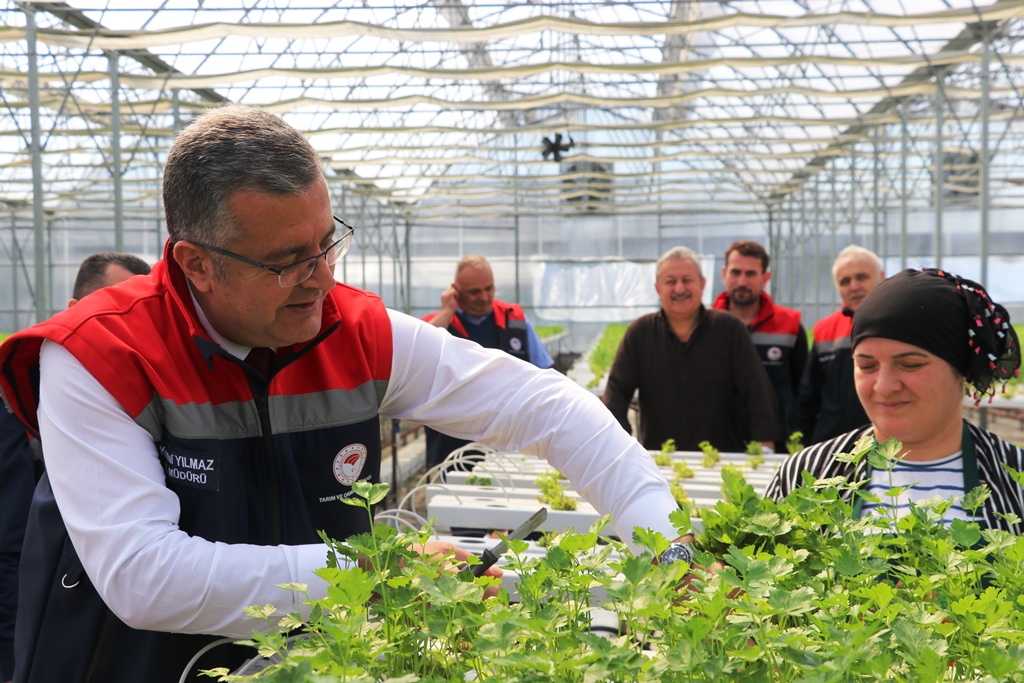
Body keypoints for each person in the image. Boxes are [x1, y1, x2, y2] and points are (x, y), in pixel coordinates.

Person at [0, 106, 684, 683]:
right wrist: (374, 570)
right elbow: (145, 577)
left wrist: (663, 536)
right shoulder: (97, 354)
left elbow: (542, 404)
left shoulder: (352, 331)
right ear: (196, 264)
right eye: (287, 262)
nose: (322, 278)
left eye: (327, 244)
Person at [766, 268, 1023, 531]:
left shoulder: (1015, 478)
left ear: (962, 370)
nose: (884, 386)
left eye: (910, 364)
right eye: (867, 366)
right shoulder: (805, 477)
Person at [0, 251, 150, 683]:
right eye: (111, 306)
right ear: (73, 310)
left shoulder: (153, 399)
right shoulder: (26, 392)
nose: (124, 325)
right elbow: (10, 542)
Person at [602, 246, 779, 453]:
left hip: (722, 460)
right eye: (670, 281)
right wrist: (619, 448)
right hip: (658, 459)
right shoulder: (640, 333)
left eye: (687, 280)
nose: (679, 289)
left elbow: (756, 390)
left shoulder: (729, 329)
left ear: (702, 284)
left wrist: (765, 443)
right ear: (658, 288)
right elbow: (616, 394)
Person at [422, 255, 554, 468]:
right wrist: (447, 311)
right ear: (456, 291)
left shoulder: (515, 320)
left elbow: (545, 373)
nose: (484, 297)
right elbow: (420, 351)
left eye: (489, 288)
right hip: (451, 444)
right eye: (474, 292)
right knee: (451, 486)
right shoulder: (440, 325)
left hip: (510, 441)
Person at [712, 240, 807, 451]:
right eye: (735, 272)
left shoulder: (789, 325)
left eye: (751, 274)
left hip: (777, 443)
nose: (741, 281)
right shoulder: (707, 326)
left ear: (765, 278)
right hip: (720, 442)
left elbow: (802, 389)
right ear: (724, 274)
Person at [797, 245, 885, 445]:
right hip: (832, 446)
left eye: (861, 277)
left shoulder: (901, 325)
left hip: (884, 445)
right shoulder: (825, 329)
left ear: (882, 277)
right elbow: (808, 399)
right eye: (845, 281)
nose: (853, 286)